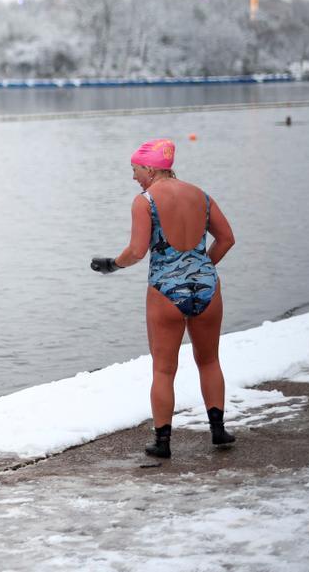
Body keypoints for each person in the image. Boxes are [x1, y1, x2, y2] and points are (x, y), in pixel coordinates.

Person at [90, 139, 237, 458]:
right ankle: (218, 431)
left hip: (166, 291)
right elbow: (227, 239)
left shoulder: (144, 201)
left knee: (163, 369)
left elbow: (137, 251)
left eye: (135, 170)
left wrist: (113, 265)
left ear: (150, 168)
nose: (133, 177)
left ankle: (162, 442)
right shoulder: (201, 195)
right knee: (209, 360)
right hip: (207, 287)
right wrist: (202, 267)